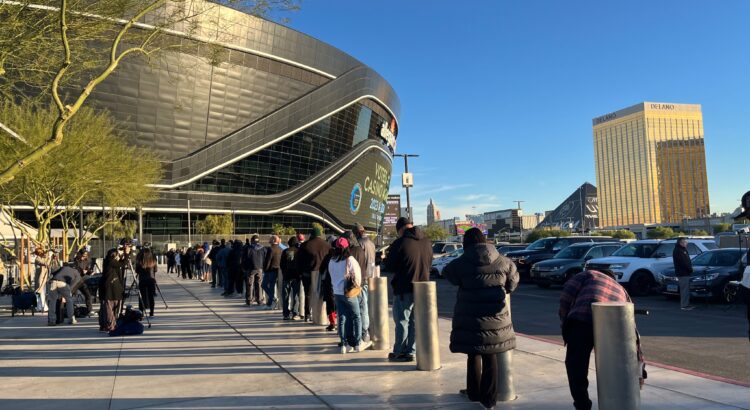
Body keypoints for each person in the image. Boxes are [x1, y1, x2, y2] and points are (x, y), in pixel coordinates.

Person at [443, 228, 518, 410]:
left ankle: (473, 392)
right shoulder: (504, 261)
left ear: (466, 243)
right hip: (496, 318)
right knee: (491, 354)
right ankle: (489, 400)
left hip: (470, 317)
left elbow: (448, 273)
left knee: (473, 353)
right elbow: (513, 282)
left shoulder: (461, 262)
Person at [559, 269, 633, 410]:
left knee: (576, 367)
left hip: (582, 320)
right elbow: (631, 327)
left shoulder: (589, 274)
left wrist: (565, 324)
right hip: (612, 327)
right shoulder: (622, 290)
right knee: (612, 368)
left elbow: (566, 296)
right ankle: (615, 403)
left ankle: (583, 404)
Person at [384, 217, 432, 362]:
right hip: (423, 287)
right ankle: (411, 350)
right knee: (415, 321)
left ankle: (399, 351)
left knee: (402, 321)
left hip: (404, 287)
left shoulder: (400, 243)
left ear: (400, 229)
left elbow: (390, 266)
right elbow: (429, 262)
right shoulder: (427, 242)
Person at [328, 237, 371, 353]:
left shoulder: (332, 260)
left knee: (342, 318)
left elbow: (331, 275)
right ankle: (357, 343)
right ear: (347, 247)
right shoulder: (350, 259)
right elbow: (357, 277)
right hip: (349, 292)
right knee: (356, 316)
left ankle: (344, 343)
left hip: (337, 293)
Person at [296, 225, 331, 322]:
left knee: (308, 294)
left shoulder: (305, 245)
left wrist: (300, 273)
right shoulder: (327, 245)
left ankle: (307, 314)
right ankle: (321, 315)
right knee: (322, 294)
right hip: (323, 273)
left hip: (307, 273)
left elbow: (299, 261)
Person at [354, 223, 376, 341]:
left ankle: (364, 331)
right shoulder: (371, 243)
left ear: (357, 232)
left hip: (362, 278)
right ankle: (368, 329)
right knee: (367, 304)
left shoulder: (360, 244)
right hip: (370, 276)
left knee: (363, 306)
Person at [99, 249, 124, 332]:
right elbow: (122, 264)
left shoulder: (108, 261)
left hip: (111, 288)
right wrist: (126, 255)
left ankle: (106, 325)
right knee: (109, 308)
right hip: (110, 289)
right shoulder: (110, 262)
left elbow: (120, 264)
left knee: (110, 307)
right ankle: (110, 326)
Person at [281, 236, 302, 320]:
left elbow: (282, 264)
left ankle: (286, 314)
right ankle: (295, 313)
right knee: (296, 295)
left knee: (285, 296)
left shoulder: (285, 251)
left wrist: (284, 273)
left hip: (286, 276)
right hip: (296, 277)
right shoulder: (299, 252)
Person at [243, 235, 266, 304]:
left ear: (252, 240)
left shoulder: (248, 248)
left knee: (250, 284)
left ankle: (249, 299)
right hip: (260, 268)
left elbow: (245, 259)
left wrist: (245, 268)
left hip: (251, 269)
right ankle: (259, 299)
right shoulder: (263, 248)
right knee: (259, 284)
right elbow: (265, 258)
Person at [673, 237, 694, 311]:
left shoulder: (682, 249)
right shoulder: (679, 251)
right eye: (685, 242)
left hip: (684, 273)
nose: (686, 243)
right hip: (683, 273)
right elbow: (684, 262)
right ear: (680, 243)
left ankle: (686, 304)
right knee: (684, 290)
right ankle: (684, 305)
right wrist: (690, 269)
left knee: (686, 290)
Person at [136, 247, 158, 317]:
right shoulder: (153, 259)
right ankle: (152, 312)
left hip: (142, 280)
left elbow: (137, 270)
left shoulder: (140, 259)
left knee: (141, 296)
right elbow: (156, 270)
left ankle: (141, 312)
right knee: (151, 296)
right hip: (151, 279)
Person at [262, 235, 282, 310]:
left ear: (274, 240)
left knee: (266, 285)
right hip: (277, 270)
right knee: (270, 286)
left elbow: (268, 260)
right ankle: (272, 299)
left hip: (270, 270)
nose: (269, 239)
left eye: (270, 238)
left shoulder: (270, 249)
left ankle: (271, 301)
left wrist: (265, 269)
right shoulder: (280, 249)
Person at [33, 247, 51, 312]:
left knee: (43, 292)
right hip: (39, 278)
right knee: (40, 292)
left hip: (43, 278)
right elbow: (45, 263)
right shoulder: (37, 259)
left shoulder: (41, 258)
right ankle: (41, 307)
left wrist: (48, 256)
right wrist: (49, 257)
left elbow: (46, 262)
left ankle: (42, 306)